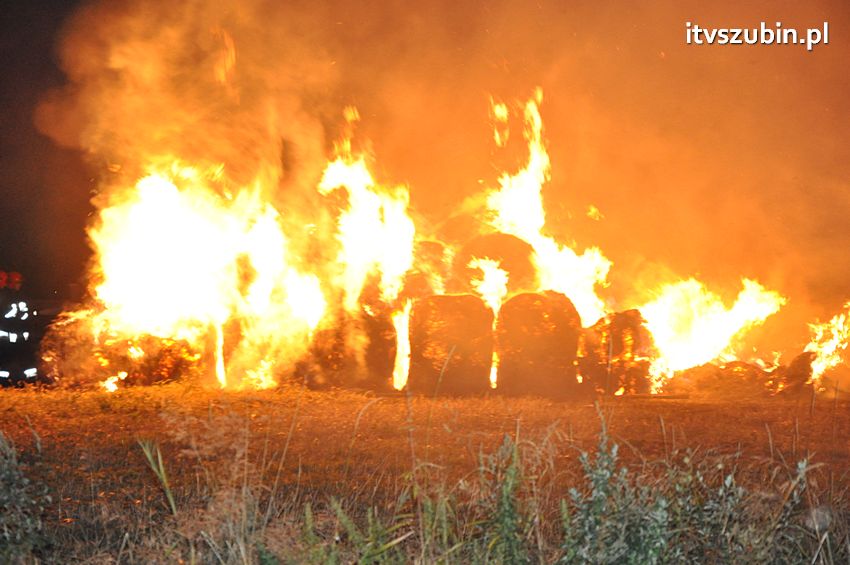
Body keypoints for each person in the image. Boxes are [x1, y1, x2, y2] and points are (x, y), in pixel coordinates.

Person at [0, 271, 39, 386]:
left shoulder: (22, 296)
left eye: (20, 282)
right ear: (10, 283)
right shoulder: (4, 297)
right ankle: (4, 382)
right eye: (16, 282)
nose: (19, 285)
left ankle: (30, 381)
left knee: (26, 360)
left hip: (21, 336)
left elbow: (28, 315)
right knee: (5, 361)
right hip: (6, 336)